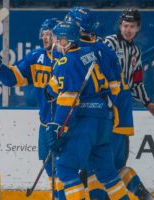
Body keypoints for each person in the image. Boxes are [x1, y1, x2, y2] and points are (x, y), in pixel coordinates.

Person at [0, 18, 66, 200]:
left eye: (49, 35)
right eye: (44, 35)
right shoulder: (35, 57)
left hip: (68, 121)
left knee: (66, 165)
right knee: (48, 163)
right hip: (45, 123)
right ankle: (60, 195)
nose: (45, 38)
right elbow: (13, 78)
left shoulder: (68, 57)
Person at [45, 21, 130, 200]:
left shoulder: (65, 61)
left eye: (57, 39)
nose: (55, 43)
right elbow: (62, 83)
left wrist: (59, 129)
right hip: (102, 120)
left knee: (66, 169)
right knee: (107, 173)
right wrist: (51, 89)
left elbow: (68, 101)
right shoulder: (89, 53)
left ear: (66, 40)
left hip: (84, 123)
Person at [65, 7, 135, 200]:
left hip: (83, 118)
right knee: (104, 171)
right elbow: (117, 89)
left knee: (68, 168)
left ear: (77, 26)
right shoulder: (106, 51)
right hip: (107, 116)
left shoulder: (73, 50)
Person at [103, 9, 154, 200]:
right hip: (107, 104)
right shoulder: (108, 43)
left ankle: (142, 195)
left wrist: (148, 102)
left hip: (125, 106)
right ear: (120, 25)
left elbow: (136, 82)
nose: (128, 30)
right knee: (101, 156)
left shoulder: (136, 51)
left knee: (119, 160)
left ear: (138, 28)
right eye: (125, 26)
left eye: (132, 27)